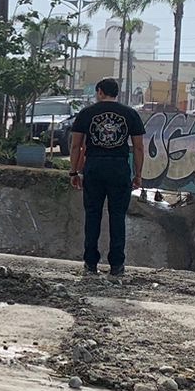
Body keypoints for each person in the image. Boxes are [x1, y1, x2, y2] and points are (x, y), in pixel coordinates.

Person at [68, 78, 146, 279]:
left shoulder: (87, 113)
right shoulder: (130, 114)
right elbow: (138, 147)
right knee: (117, 216)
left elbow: (76, 146)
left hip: (94, 166)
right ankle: (117, 265)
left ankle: (90, 263)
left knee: (93, 215)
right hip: (119, 168)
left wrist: (74, 172)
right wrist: (138, 174)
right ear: (116, 93)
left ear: (100, 91)